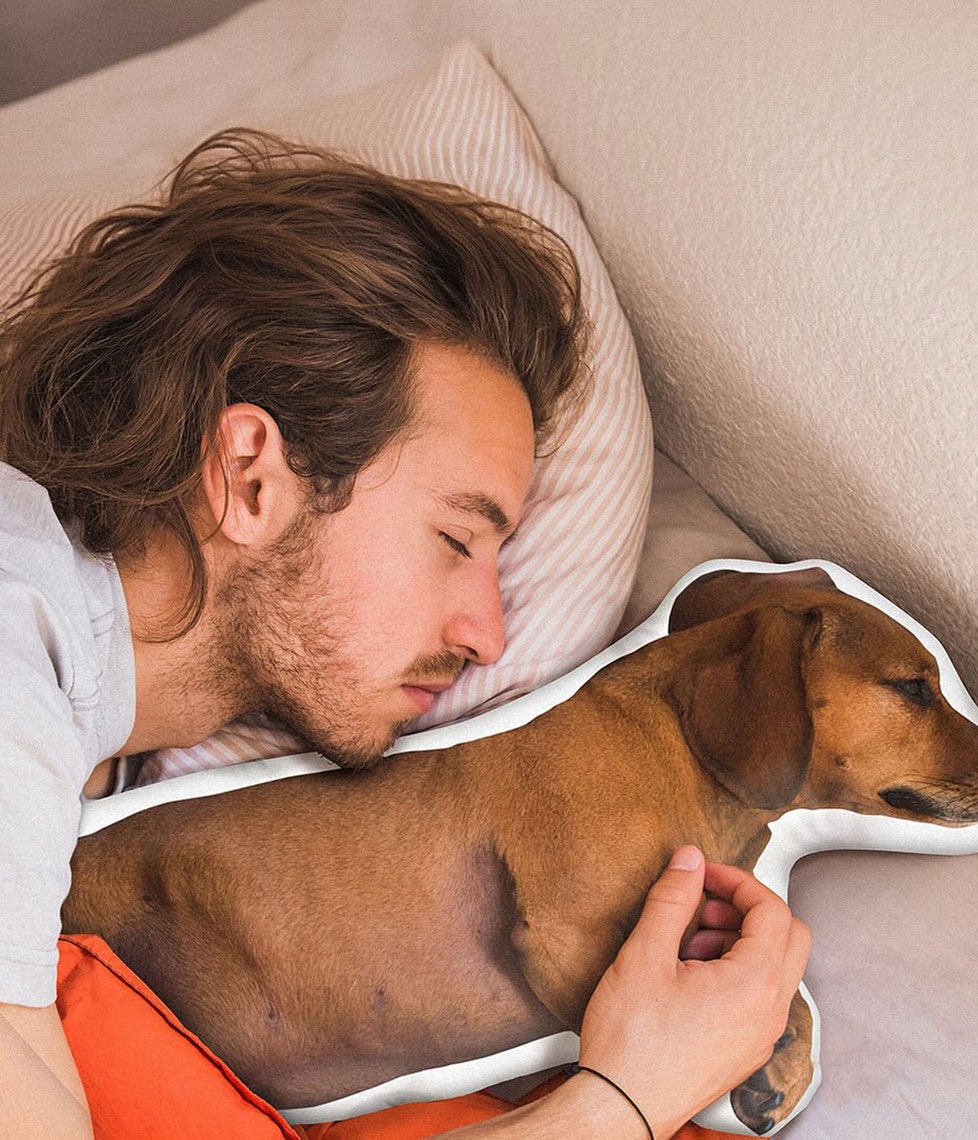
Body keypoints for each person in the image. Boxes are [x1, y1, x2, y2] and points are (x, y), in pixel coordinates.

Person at [0, 130, 810, 1139]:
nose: (489, 634)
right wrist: (625, 1100)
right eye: (455, 538)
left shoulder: (71, 735)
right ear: (252, 475)